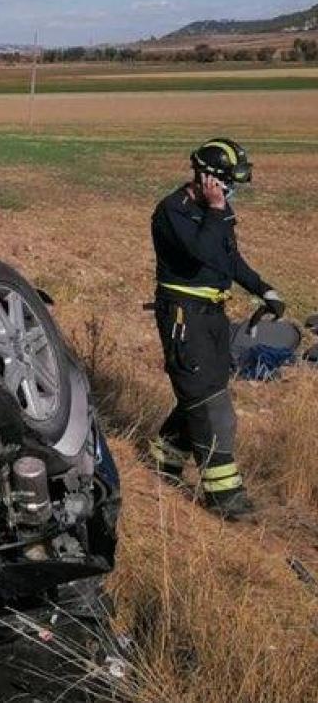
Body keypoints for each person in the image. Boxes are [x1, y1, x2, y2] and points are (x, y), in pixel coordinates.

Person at [149, 138, 285, 519]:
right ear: (208, 178)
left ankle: (164, 458)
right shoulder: (172, 211)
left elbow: (228, 258)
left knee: (206, 390)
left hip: (212, 317)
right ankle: (225, 496)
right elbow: (202, 252)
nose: (233, 191)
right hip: (183, 317)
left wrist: (264, 289)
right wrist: (217, 209)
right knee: (212, 405)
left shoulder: (214, 212)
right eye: (228, 182)